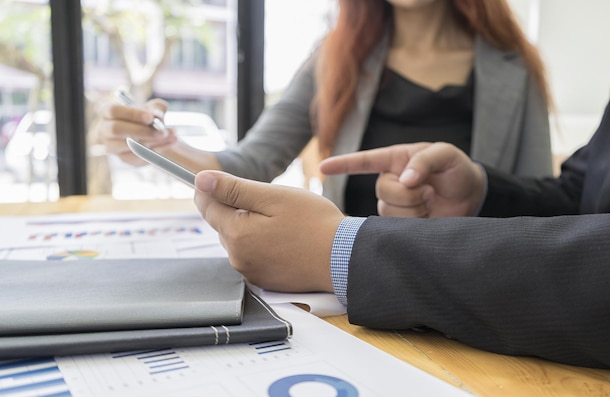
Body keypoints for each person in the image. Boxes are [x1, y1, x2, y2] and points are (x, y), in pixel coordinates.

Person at [191, 98, 610, 369]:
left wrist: (343, 250)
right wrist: (481, 195)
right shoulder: (336, 51)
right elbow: (584, 195)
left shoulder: (513, 62)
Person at [97, 0, 554, 216]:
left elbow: (542, 208)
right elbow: (248, 164)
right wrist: (157, 144)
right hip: (352, 288)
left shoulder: (515, 67)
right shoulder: (335, 57)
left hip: (472, 288)